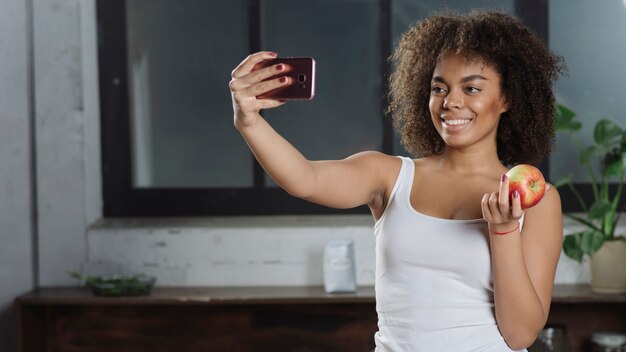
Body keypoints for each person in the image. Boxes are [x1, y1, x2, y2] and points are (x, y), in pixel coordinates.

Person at [229, 10, 564, 352]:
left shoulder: (535, 202)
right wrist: (249, 121)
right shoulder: (390, 176)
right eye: (439, 88)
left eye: (472, 88)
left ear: (507, 98)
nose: (451, 102)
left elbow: (520, 335)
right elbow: (305, 179)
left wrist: (504, 230)